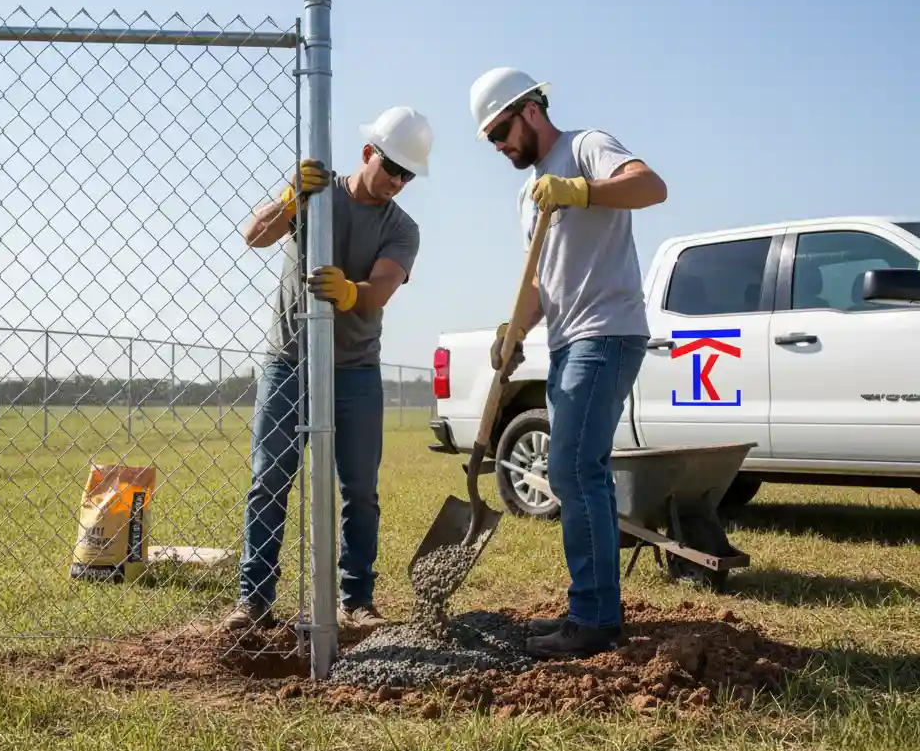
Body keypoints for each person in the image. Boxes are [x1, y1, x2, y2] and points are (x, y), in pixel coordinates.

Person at [468, 67, 667, 659]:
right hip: (567, 340)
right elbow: (539, 277)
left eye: (501, 130)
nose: (500, 145)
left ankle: (594, 619)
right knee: (583, 473)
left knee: (573, 472)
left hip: (605, 333)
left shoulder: (585, 146)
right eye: (490, 139)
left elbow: (650, 186)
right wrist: (516, 327)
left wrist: (581, 189)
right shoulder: (529, 196)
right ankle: (594, 608)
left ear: (530, 110)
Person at [222, 105, 433, 632]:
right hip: (289, 362)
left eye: (408, 175)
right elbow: (254, 235)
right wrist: (290, 199)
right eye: (392, 168)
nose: (397, 183)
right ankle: (254, 602)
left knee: (359, 488)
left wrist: (349, 292)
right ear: (367, 154)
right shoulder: (316, 197)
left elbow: (380, 289)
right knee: (269, 478)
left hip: (356, 371)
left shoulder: (402, 228)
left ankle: (356, 599)